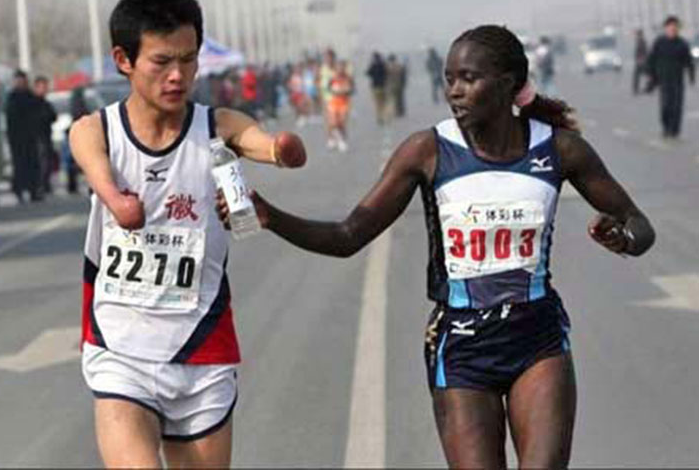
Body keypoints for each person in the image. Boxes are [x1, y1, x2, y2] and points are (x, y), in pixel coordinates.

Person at [220, 25, 655, 468]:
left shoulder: (559, 148)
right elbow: (348, 236)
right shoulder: (427, 151)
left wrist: (623, 238)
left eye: (469, 78)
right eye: (449, 79)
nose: (455, 91)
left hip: (537, 338)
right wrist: (271, 217)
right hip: (462, 346)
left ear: (507, 83)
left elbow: (640, 226)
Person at [68, 0, 307, 468]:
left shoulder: (217, 127)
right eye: (161, 62)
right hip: (120, 346)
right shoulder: (102, 131)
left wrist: (282, 149)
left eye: (189, 60)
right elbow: (84, 145)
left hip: (201, 344)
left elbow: (260, 141)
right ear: (124, 59)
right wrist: (115, 199)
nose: (178, 76)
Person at [646, 15, 695, 140]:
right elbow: (651, 60)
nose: (673, 29)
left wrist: (691, 77)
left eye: (675, 27)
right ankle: (666, 127)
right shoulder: (659, 42)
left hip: (677, 80)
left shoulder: (682, 44)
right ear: (666, 28)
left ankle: (675, 130)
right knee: (666, 106)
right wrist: (651, 76)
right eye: (670, 27)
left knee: (677, 106)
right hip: (664, 80)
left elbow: (689, 62)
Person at [6, 70, 43, 202]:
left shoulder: (31, 96)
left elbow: (40, 113)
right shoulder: (12, 97)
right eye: (18, 80)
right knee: (19, 166)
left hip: (31, 137)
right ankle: (19, 191)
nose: (20, 83)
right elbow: (10, 118)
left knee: (33, 164)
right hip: (16, 139)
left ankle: (34, 191)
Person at [33, 75, 58, 196]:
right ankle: (40, 185)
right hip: (37, 138)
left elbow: (53, 116)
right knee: (42, 162)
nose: (44, 89)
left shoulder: (45, 103)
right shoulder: (33, 102)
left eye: (45, 87)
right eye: (42, 87)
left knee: (47, 161)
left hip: (46, 136)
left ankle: (45, 184)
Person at [326, 60, 354, 152]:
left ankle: (343, 140)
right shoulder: (333, 78)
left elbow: (352, 90)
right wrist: (335, 91)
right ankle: (337, 139)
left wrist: (345, 91)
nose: (340, 69)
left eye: (342, 67)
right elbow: (328, 88)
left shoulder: (348, 78)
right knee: (333, 123)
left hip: (344, 103)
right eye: (338, 67)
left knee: (341, 123)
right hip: (334, 103)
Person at [366, 51, 388, 125]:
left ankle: (380, 117)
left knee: (377, 104)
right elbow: (387, 74)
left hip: (375, 87)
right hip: (382, 86)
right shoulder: (383, 65)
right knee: (383, 103)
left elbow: (367, 73)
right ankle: (383, 116)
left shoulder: (373, 65)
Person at [632, 29, 649, 96]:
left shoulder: (641, 42)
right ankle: (636, 89)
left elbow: (644, 51)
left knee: (638, 75)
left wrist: (641, 59)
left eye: (637, 35)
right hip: (641, 61)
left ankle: (636, 89)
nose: (636, 36)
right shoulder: (639, 41)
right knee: (643, 74)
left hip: (641, 61)